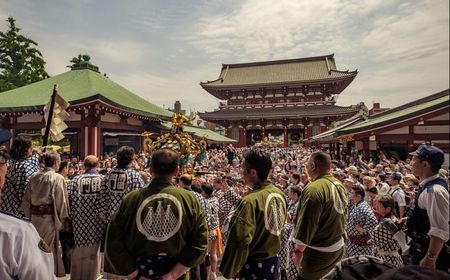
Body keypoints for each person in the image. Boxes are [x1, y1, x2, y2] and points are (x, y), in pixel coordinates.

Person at [104, 149, 208, 279]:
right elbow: (201, 242)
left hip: (138, 270)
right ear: (177, 171)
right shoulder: (190, 199)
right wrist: (172, 275)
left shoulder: (131, 199)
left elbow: (113, 241)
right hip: (176, 273)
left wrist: (136, 275)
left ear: (151, 169)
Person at [219, 148, 287, 280]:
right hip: (273, 263)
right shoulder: (280, 194)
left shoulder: (249, 201)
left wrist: (230, 269)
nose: (241, 172)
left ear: (253, 172)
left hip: (255, 267)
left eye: (243, 168)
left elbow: (241, 240)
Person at [0, 131, 54, 279]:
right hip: (21, 217)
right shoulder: (27, 167)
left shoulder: (13, 164)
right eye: (31, 148)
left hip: (6, 211)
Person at [292, 151, 348, 280]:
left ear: (312, 166)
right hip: (337, 245)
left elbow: (307, 223)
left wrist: (298, 251)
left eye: (307, 164)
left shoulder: (314, 189)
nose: (306, 168)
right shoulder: (340, 185)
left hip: (318, 251)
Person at [21, 152, 69, 277]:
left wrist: (29, 217)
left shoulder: (34, 176)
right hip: (49, 219)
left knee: (35, 247)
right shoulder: (57, 177)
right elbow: (61, 201)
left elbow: (26, 201)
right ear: (56, 163)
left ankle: (35, 274)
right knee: (48, 248)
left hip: (34, 218)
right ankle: (47, 275)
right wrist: (63, 218)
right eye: (59, 162)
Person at [402, 144, 449, 271]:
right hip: (420, 248)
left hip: (429, 254)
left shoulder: (434, 191)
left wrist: (430, 258)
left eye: (414, 160)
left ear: (425, 164)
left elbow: (440, 230)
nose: (410, 163)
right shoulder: (428, 187)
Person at [67, 155, 105, 280]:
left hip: (79, 224)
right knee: (95, 256)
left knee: (78, 257)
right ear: (98, 165)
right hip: (97, 225)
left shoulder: (75, 180)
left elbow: (68, 201)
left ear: (84, 166)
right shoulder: (103, 180)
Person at [0, 136, 39, 218]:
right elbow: (27, 193)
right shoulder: (25, 167)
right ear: (25, 149)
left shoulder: (9, 162)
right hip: (19, 212)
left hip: (4, 208)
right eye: (31, 148)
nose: (32, 151)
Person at [371, 195, 404, 268]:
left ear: (388, 209)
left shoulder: (386, 223)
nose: (376, 207)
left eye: (379, 206)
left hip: (387, 260)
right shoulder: (392, 219)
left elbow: (374, 238)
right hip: (392, 259)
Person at [346, 185, 378, 257]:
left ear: (359, 196)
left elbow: (373, 220)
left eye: (352, 193)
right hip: (354, 243)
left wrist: (363, 229)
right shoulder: (357, 204)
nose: (350, 195)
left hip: (361, 245)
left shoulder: (363, 207)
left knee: (360, 265)